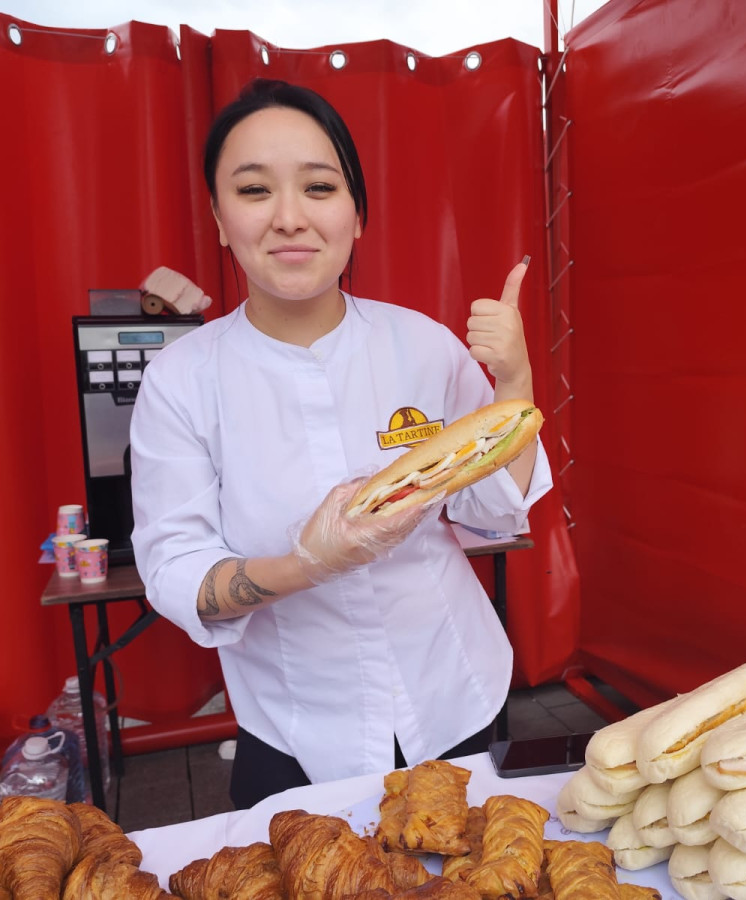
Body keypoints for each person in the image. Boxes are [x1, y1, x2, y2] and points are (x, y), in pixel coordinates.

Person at [130, 77, 552, 809]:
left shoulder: (422, 345)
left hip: (452, 693)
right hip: (296, 731)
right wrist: (307, 564)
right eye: (255, 190)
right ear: (221, 219)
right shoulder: (181, 381)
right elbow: (176, 570)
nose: (290, 218)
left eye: (319, 187)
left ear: (357, 213)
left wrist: (515, 381)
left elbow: (493, 506)